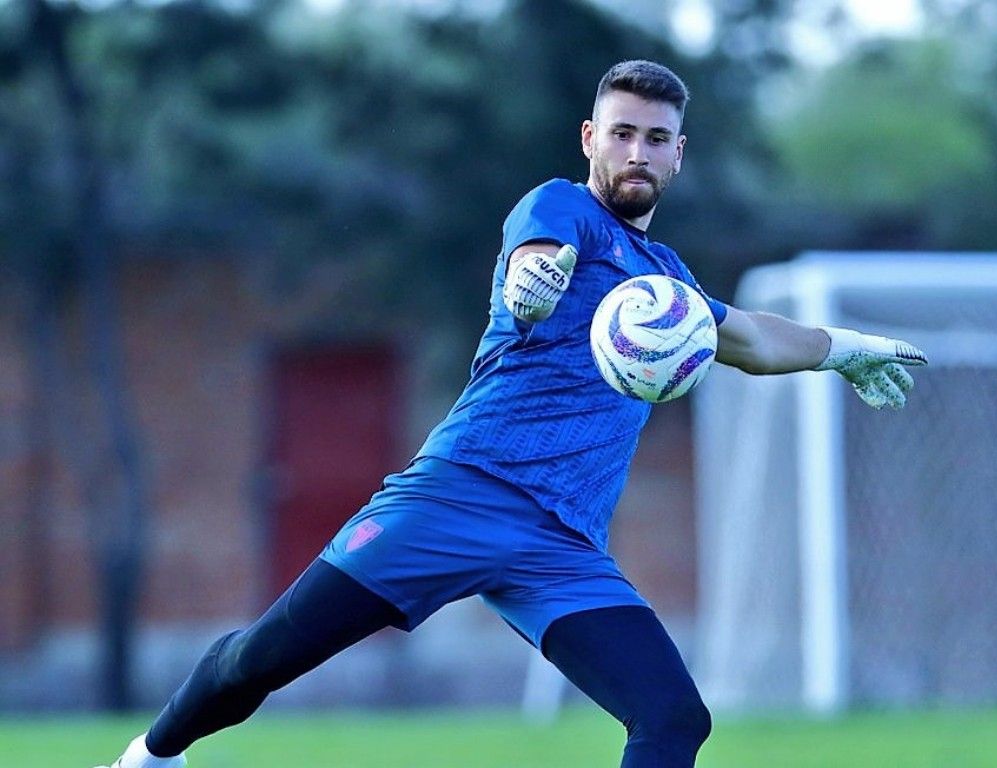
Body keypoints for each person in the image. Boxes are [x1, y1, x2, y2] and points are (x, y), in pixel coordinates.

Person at [96, 59, 928, 768]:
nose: (637, 150)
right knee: (259, 661)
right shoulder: (560, 210)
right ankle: (147, 757)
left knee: (675, 718)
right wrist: (531, 287)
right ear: (589, 138)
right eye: (622, 132)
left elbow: (747, 338)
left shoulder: (663, 284)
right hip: (455, 498)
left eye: (656, 137)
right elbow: (535, 258)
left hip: (561, 547)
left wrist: (845, 348)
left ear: (680, 153)